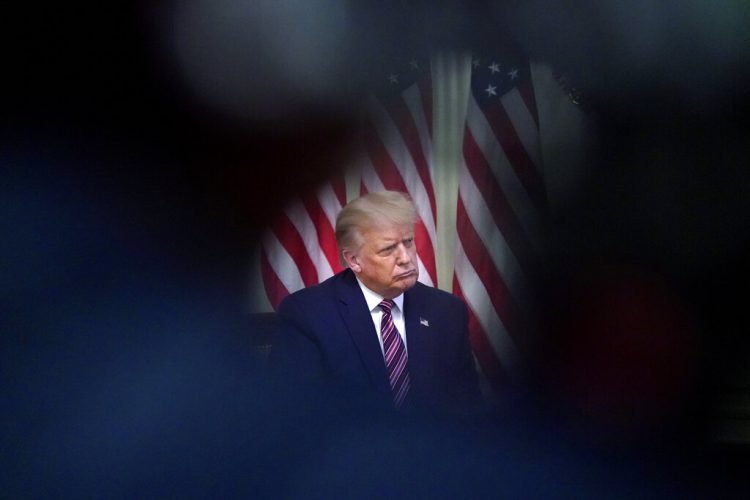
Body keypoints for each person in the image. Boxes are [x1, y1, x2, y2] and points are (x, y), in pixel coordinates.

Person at [272, 190, 482, 416]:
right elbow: (296, 414)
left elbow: (467, 407)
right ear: (354, 260)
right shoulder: (308, 314)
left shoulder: (447, 310)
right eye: (388, 249)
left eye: (408, 242)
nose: (405, 258)